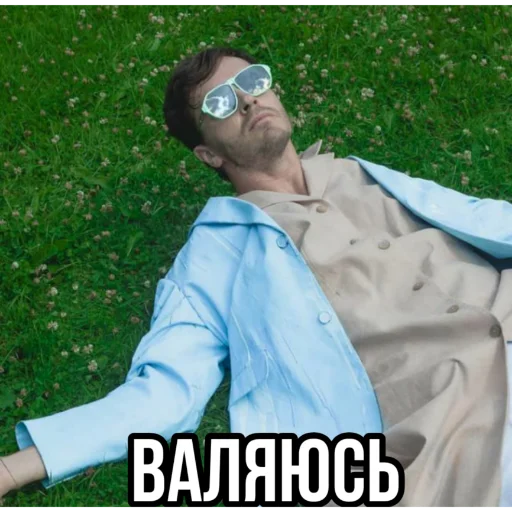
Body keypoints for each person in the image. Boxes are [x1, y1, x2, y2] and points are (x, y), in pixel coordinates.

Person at [1, 46, 511, 508]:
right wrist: (11, 470)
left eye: (253, 82)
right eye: (220, 103)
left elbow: (481, 217)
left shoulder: (357, 172)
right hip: (459, 416)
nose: (247, 100)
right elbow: (165, 393)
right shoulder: (218, 251)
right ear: (209, 155)